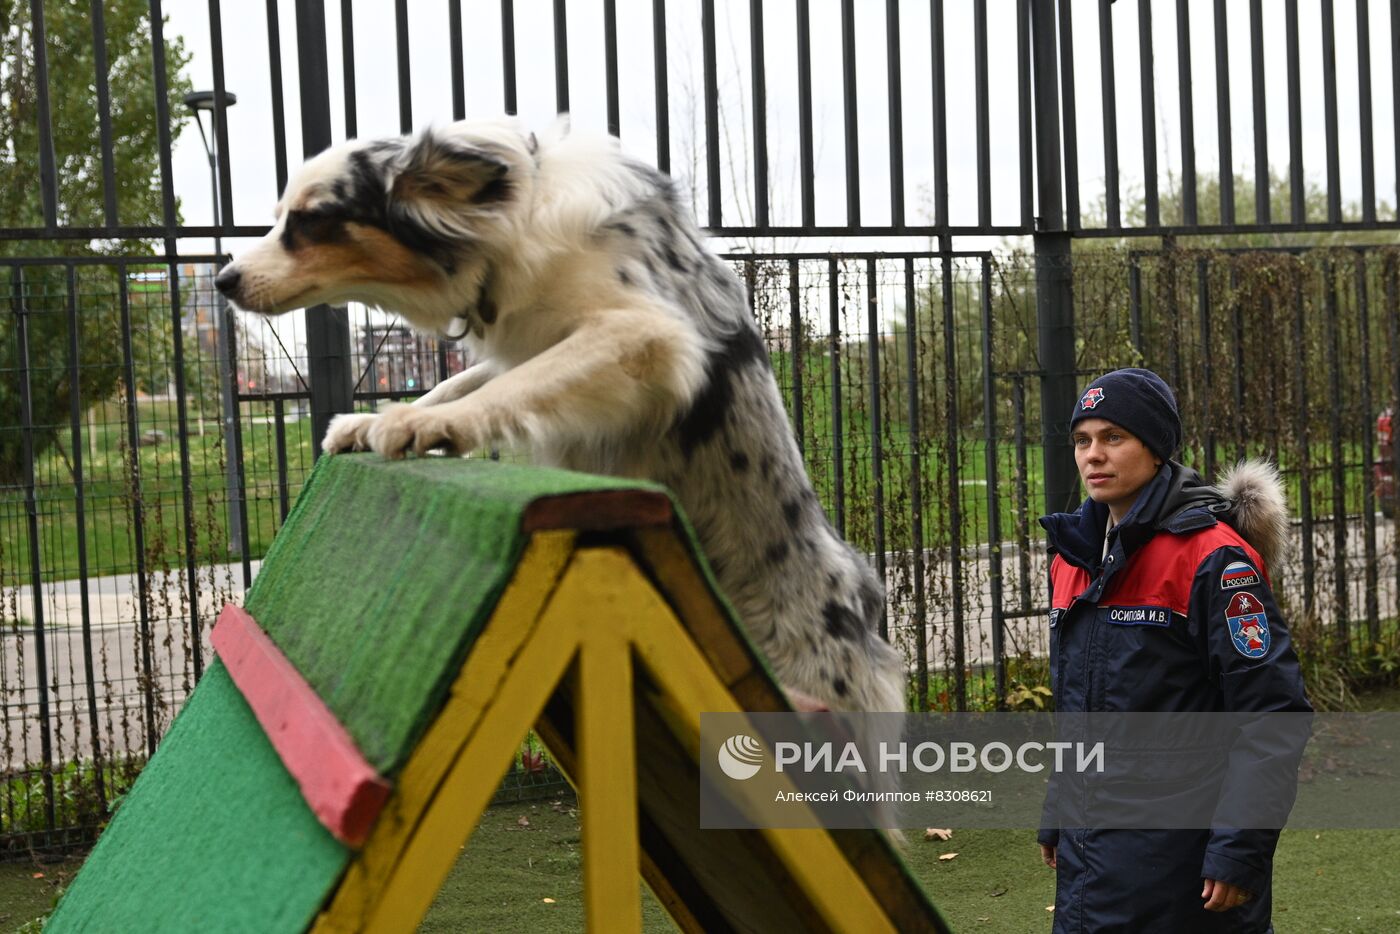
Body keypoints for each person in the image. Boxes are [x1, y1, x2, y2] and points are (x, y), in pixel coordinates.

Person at [1036, 368, 1312, 933]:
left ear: (1157, 448)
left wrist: (1241, 849)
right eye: (1082, 441)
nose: (1094, 456)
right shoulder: (1072, 559)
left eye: (1114, 437)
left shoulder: (1214, 558)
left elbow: (1272, 715)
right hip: (1094, 862)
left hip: (1186, 869)